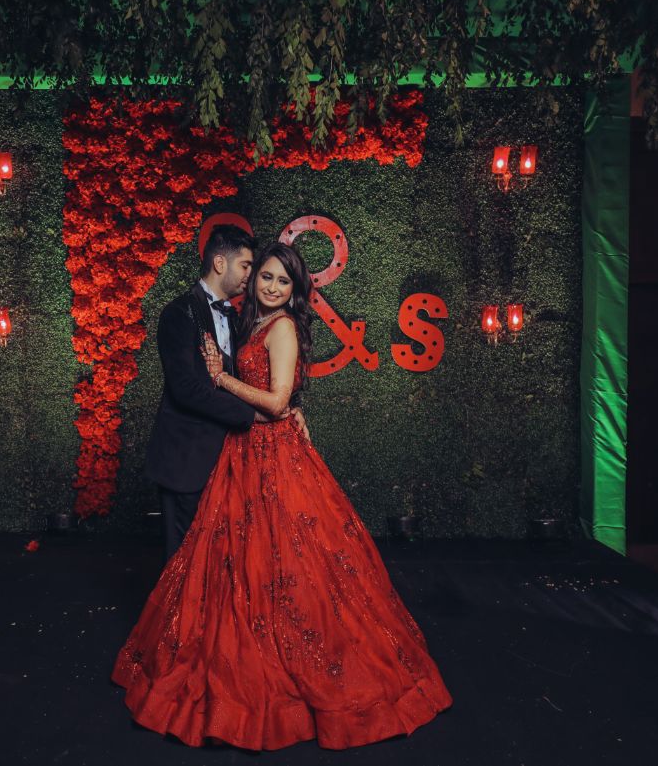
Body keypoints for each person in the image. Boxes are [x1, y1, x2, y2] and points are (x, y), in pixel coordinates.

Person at [113, 242, 453, 750]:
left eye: (281, 280)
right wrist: (284, 403)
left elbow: (273, 400)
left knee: (292, 562)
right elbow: (257, 394)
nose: (270, 285)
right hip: (236, 454)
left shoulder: (284, 326)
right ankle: (213, 651)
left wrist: (228, 381)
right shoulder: (239, 320)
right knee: (235, 564)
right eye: (263, 275)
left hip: (273, 456)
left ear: (295, 290)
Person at [144, 224, 306, 565]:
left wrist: (289, 406)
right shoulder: (179, 313)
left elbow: (257, 376)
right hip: (187, 462)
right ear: (220, 263)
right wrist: (254, 415)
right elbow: (186, 390)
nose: (251, 275)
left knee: (220, 564)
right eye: (246, 266)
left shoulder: (238, 318)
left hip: (230, 461)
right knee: (183, 564)